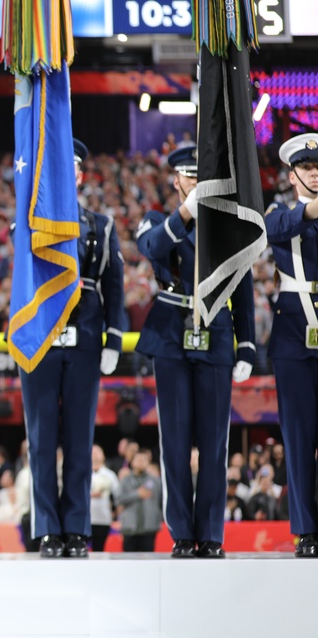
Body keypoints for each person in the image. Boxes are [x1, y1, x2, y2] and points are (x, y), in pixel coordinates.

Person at [135, 145, 256, 559]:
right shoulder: (158, 219)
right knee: (175, 440)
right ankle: (183, 534)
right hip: (171, 335)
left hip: (218, 332)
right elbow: (151, 248)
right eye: (189, 175)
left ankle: (212, 533)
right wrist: (186, 211)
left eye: (200, 175)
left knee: (215, 443)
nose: (195, 181)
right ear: (177, 181)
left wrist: (248, 344)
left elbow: (242, 286)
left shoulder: (226, 226)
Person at [18, 139, 125, 558]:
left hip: (84, 338)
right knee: (42, 439)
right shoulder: (28, 223)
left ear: (79, 176)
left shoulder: (101, 225)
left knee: (79, 439)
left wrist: (113, 339)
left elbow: (114, 286)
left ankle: (77, 528)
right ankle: (47, 527)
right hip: (42, 339)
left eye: (73, 170)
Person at [262, 133, 318, 557]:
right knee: (298, 438)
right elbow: (272, 229)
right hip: (294, 341)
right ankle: (305, 529)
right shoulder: (279, 211)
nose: (315, 172)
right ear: (293, 174)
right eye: (308, 167)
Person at [116, 448, 162, 552]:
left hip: (149, 528)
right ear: (132, 462)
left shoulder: (156, 481)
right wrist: (137, 494)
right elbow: (118, 499)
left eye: (144, 460)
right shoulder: (125, 480)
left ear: (148, 462)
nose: (141, 462)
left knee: (149, 561)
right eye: (138, 459)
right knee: (128, 561)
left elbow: (161, 501)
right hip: (130, 528)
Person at [90, 445, 120, 552]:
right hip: (85, 519)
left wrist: (117, 515)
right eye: (93, 452)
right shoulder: (83, 474)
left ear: (103, 456)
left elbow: (118, 496)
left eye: (98, 452)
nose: (95, 454)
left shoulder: (110, 475)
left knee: (99, 548)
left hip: (103, 518)